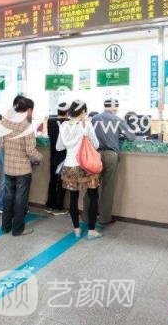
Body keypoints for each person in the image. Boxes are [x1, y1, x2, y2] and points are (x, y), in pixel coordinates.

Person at [57, 100, 102, 240]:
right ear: (82, 112)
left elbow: (59, 147)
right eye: (85, 112)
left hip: (69, 166)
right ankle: (91, 231)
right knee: (93, 196)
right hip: (85, 166)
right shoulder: (86, 124)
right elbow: (96, 144)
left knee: (73, 198)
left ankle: (76, 229)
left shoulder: (63, 125)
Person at [86, 99, 135, 225]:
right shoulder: (117, 120)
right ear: (115, 107)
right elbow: (131, 137)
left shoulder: (94, 118)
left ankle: (86, 216)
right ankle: (104, 218)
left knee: (91, 186)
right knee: (108, 188)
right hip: (111, 155)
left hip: (95, 155)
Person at [2, 97, 42, 236]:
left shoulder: (6, 123)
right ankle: (18, 229)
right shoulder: (27, 126)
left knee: (8, 197)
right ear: (28, 110)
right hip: (22, 170)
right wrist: (40, 157)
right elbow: (30, 151)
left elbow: (2, 144)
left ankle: (5, 227)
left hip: (8, 167)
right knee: (20, 199)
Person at [45, 101, 70, 215]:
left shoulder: (50, 121)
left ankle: (49, 205)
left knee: (53, 180)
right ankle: (59, 207)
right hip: (65, 156)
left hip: (53, 155)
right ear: (68, 111)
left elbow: (50, 135)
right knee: (62, 182)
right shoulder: (70, 122)